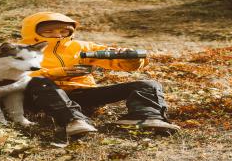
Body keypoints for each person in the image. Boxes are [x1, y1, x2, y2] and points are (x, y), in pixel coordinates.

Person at [19, 11, 181, 137]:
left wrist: (130, 58)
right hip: (39, 97)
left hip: (81, 94)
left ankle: (146, 116)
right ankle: (72, 121)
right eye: (49, 31)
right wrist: (55, 74)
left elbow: (119, 64)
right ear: (32, 32)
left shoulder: (82, 47)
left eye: (64, 31)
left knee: (148, 85)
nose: (58, 35)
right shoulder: (18, 51)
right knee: (39, 82)